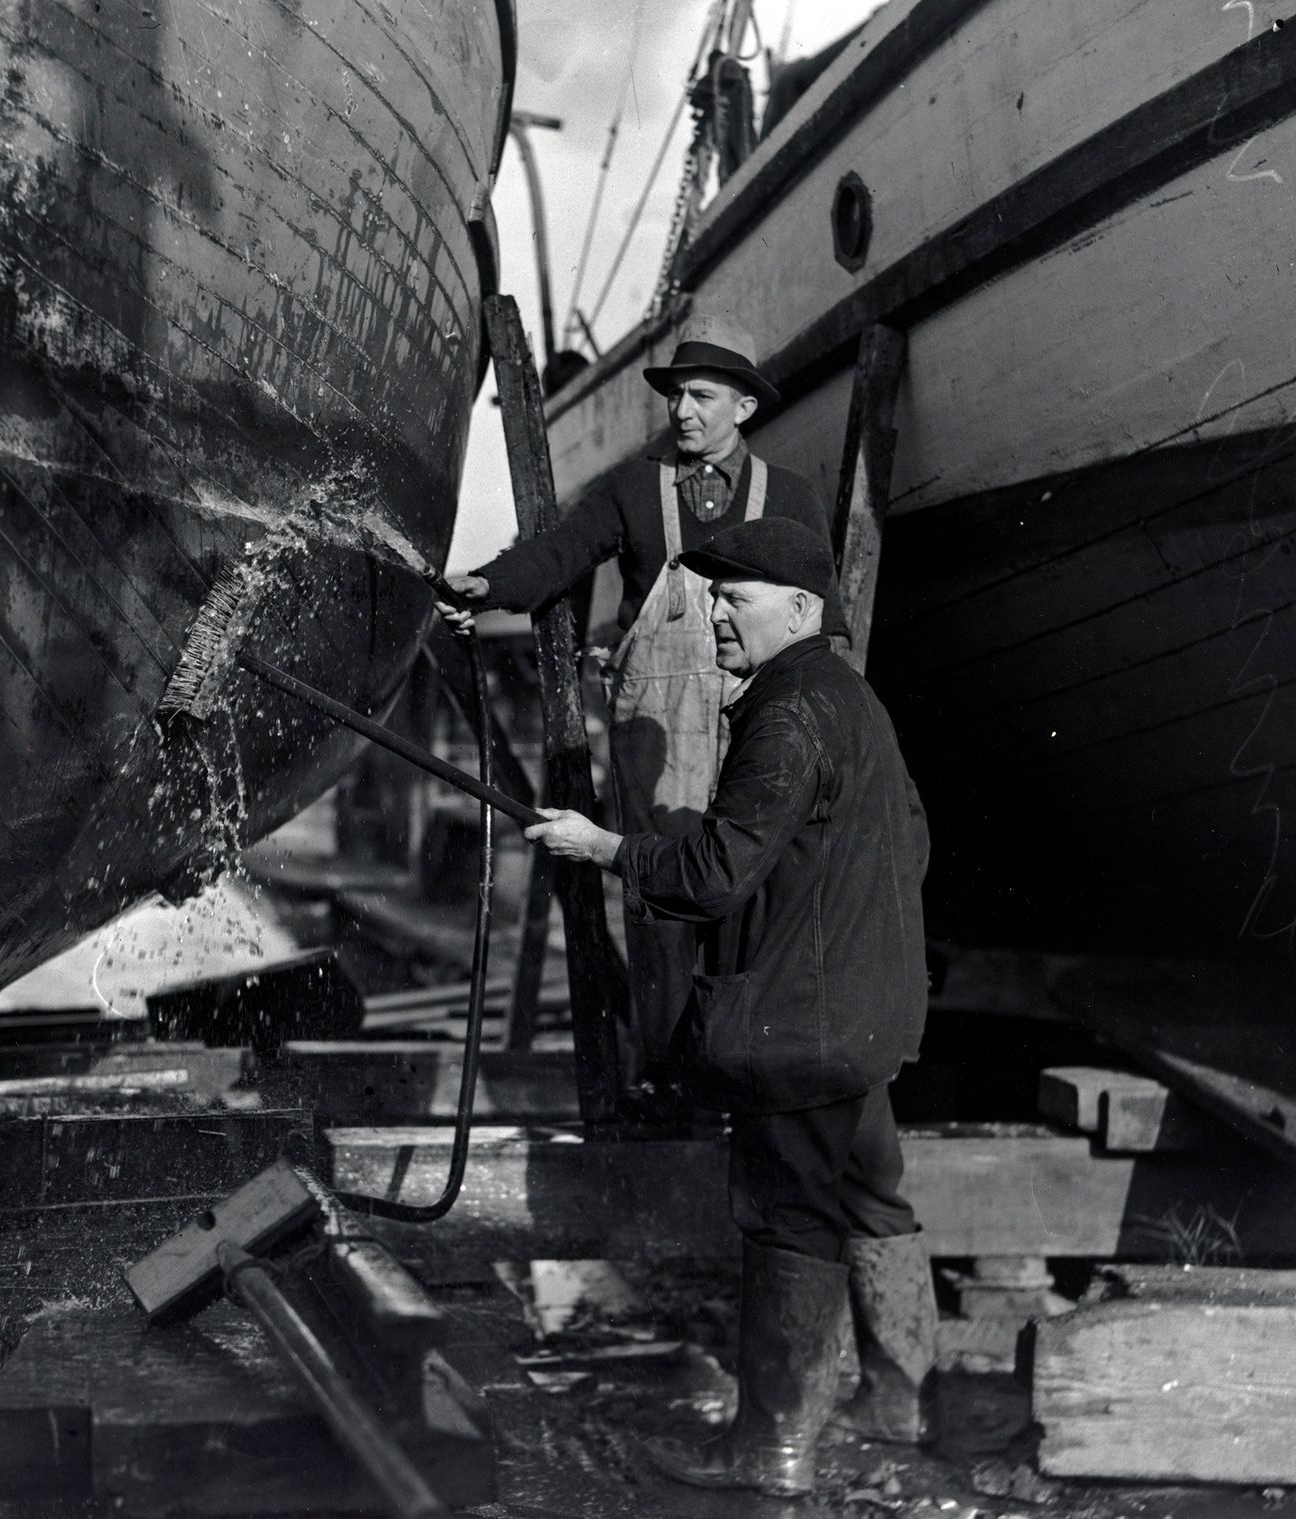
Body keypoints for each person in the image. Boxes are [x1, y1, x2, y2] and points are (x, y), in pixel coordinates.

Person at [523, 517, 935, 1498]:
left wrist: (607, 847)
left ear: (801, 609)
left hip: (796, 1030)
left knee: (789, 1219)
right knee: (872, 1198)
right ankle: (899, 1404)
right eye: (712, 594)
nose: (715, 610)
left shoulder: (787, 710)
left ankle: (771, 1452)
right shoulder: (853, 701)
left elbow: (713, 875)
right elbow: (908, 840)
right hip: (864, 1021)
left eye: (737, 596)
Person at [440, 325, 831, 1112]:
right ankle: (670, 1079)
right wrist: (489, 585)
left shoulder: (790, 497)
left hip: (761, 726)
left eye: (701, 396)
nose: (682, 410)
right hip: (659, 733)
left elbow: (823, 616)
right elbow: (560, 552)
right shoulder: (633, 488)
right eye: (676, 396)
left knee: (758, 892)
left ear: (744, 406)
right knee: (660, 905)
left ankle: (751, 1074)